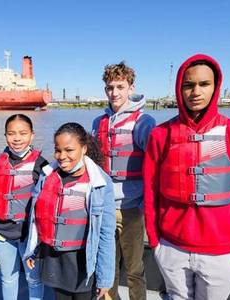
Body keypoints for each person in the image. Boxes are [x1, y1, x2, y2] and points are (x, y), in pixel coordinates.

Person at [144, 54, 230, 300]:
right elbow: (150, 191)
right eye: (188, 85)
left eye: (204, 84)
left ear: (216, 87)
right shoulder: (160, 136)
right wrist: (155, 241)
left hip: (219, 253)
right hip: (171, 248)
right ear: (179, 88)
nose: (196, 91)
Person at [25, 122, 116, 300]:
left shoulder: (100, 182)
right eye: (58, 150)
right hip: (54, 259)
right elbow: (36, 221)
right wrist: (33, 250)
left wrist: (105, 278)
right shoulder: (46, 176)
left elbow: (106, 233)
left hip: (83, 262)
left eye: (69, 150)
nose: (62, 156)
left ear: (83, 148)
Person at [92, 62, 156, 300]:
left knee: (134, 269)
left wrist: (146, 205)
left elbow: (155, 166)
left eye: (120, 86)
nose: (114, 92)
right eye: (110, 87)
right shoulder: (98, 122)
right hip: (105, 206)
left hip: (131, 208)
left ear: (131, 87)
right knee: (107, 267)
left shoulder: (144, 122)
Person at [0, 114, 47, 300]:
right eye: (11, 133)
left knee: (34, 279)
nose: (17, 138)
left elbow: (49, 206)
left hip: (30, 237)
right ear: (5, 135)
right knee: (8, 278)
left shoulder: (43, 167)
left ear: (32, 135)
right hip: (1, 234)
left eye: (23, 133)